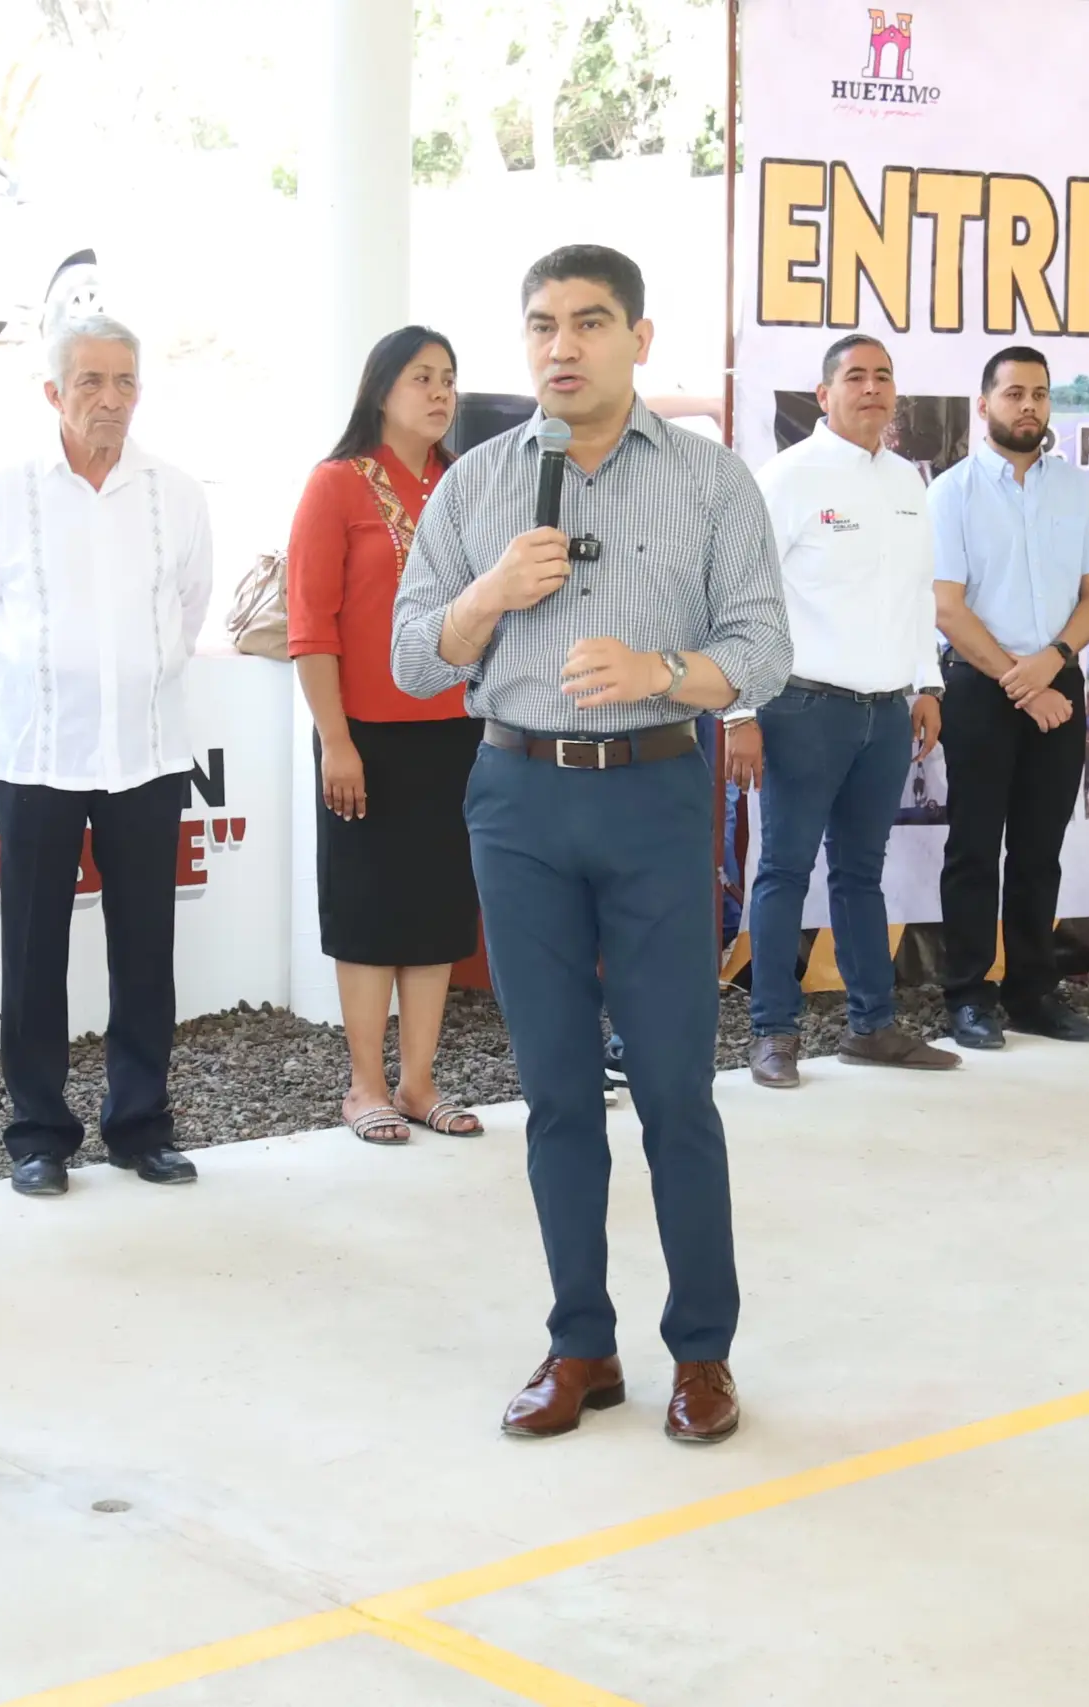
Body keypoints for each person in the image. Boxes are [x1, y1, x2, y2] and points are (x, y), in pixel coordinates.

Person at [392, 245, 791, 1445]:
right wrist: (487, 598)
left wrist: (660, 670)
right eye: (541, 325)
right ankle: (581, 1345)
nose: (561, 346)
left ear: (639, 338)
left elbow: (763, 652)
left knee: (673, 1088)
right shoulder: (476, 484)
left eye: (589, 321)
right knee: (556, 1092)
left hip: (653, 794)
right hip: (517, 803)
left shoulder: (711, 481)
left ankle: (702, 1354)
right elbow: (414, 657)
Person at [0, 316, 213, 1198]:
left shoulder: (176, 494)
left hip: (146, 752)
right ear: (53, 393)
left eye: (125, 380)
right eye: (90, 382)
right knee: (33, 951)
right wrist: (52, 687)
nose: (110, 398)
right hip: (39, 754)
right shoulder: (7, 496)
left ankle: (140, 1126)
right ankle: (38, 1135)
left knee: (145, 948)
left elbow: (187, 610)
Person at [723, 334, 957, 1085]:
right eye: (855, 376)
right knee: (784, 870)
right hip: (801, 708)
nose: (872, 388)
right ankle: (773, 1032)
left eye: (883, 376)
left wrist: (926, 684)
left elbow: (916, 594)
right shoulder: (787, 478)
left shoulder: (906, 481)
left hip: (885, 713)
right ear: (824, 395)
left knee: (861, 873)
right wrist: (740, 713)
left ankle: (872, 1026)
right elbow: (741, 598)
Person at [287, 325, 484, 1145]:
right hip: (363, 737)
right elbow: (312, 626)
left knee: (437, 912)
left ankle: (417, 1082)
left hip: (456, 733)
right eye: (420, 377)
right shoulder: (336, 484)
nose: (440, 393)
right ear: (380, 389)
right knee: (370, 912)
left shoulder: (465, 484)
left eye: (448, 378)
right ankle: (364, 1085)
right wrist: (335, 739)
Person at [929, 345, 1089, 1050]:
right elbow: (947, 607)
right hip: (979, 684)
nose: (1029, 406)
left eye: (1039, 394)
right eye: (1014, 393)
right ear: (984, 405)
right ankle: (967, 995)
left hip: (1056, 679)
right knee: (975, 848)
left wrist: (1053, 662)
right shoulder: (951, 492)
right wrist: (1020, 681)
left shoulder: (1074, 489)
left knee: (1041, 849)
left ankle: (1034, 992)